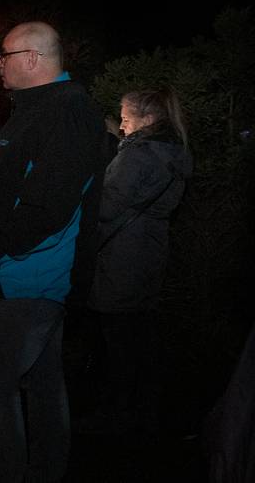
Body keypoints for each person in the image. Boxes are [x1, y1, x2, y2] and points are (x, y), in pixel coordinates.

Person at [0, 21, 108, 482]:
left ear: (32, 59)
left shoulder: (67, 111)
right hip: (25, 279)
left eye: (5, 55)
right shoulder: (41, 109)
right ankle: (44, 471)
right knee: (42, 383)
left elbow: (50, 200)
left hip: (24, 280)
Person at [80, 88, 191, 434]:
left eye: (127, 119)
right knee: (139, 335)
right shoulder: (174, 151)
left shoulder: (139, 155)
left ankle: (117, 413)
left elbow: (108, 206)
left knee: (119, 339)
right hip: (150, 248)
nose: (123, 126)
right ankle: (143, 409)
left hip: (121, 255)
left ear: (149, 119)